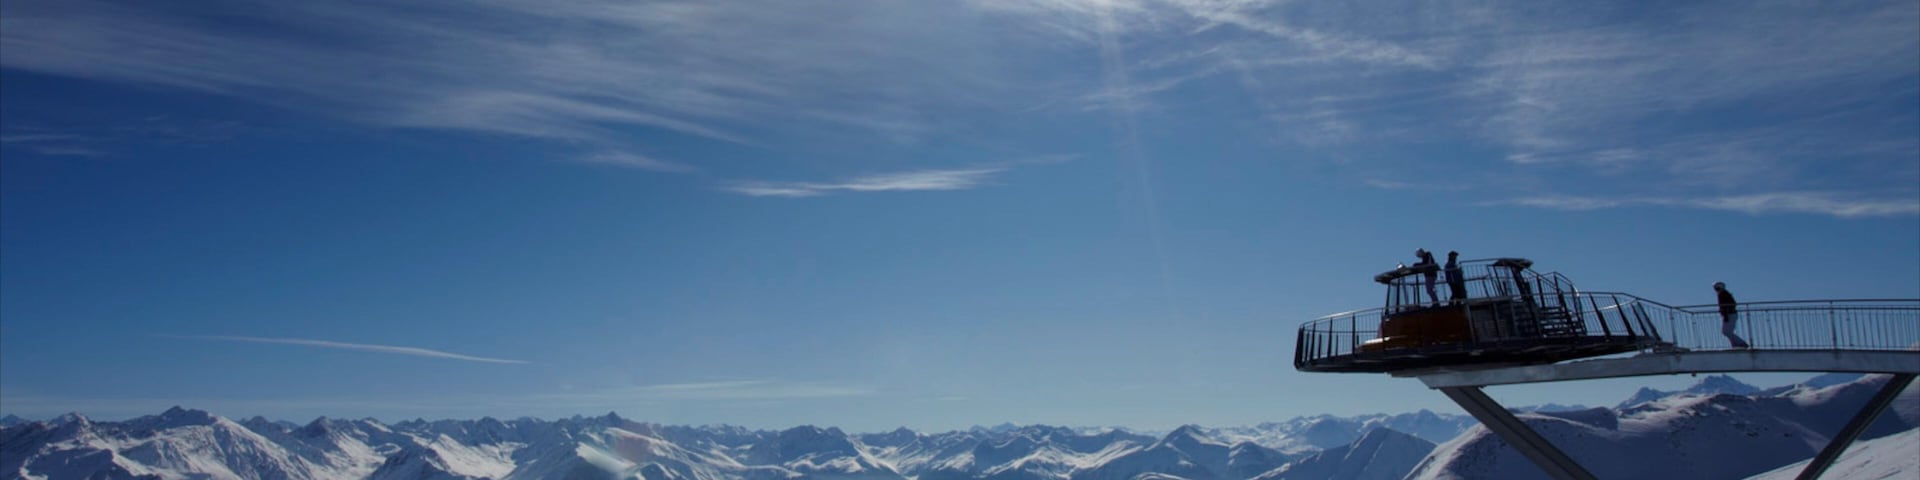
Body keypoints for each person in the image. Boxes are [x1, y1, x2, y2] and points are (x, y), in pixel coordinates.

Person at [1715, 282, 1750, 349]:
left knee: (1726, 331)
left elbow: (1728, 305)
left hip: (1730, 314)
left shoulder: (1723, 294)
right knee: (1727, 332)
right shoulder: (1724, 294)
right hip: (1730, 314)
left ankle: (1741, 343)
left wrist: (1725, 314)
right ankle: (1735, 344)